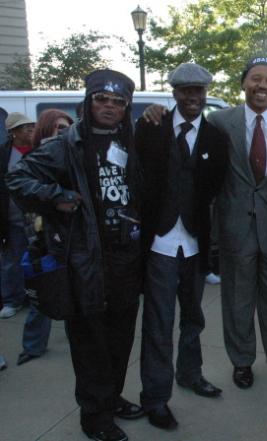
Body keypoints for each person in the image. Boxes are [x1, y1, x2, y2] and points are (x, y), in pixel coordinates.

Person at [7, 69, 145, 441]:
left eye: (118, 102)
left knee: (120, 337)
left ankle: (111, 399)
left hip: (127, 259)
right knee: (90, 344)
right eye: (102, 100)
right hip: (86, 261)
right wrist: (57, 198)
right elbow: (17, 179)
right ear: (88, 102)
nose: (110, 107)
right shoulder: (66, 144)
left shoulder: (129, 140)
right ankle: (93, 416)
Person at [135, 63, 228, 430]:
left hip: (194, 242)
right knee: (159, 324)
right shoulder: (151, 126)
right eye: (186, 91)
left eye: (199, 92)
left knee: (194, 317)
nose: (193, 97)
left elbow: (216, 191)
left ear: (205, 95)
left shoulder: (215, 137)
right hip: (159, 241)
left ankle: (191, 374)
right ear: (174, 93)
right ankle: (156, 397)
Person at [207, 56, 267, 389]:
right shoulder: (220, 121)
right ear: (244, 82)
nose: (262, 86)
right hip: (234, 228)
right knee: (238, 298)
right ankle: (242, 361)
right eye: (256, 79)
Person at [17, 109, 73, 366]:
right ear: (46, 128)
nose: (64, 131)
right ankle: (33, 345)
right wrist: (55, 198)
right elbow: (24, 193)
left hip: (74, 236)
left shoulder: (73, 154)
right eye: (59, 127)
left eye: (67, 127)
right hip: (46, 236)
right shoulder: (37, 158)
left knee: (74, 293)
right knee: (44, 290)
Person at [0, 112, 35, 319]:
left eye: (31, 126)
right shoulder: (3, 154)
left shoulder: (41, 149)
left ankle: (35, 296)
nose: (30, 130)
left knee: (37, 258)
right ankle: (12, 300)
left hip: (37, 218)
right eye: (25, 127)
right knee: (11, 260)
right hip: (11, 217)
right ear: (13, 133)